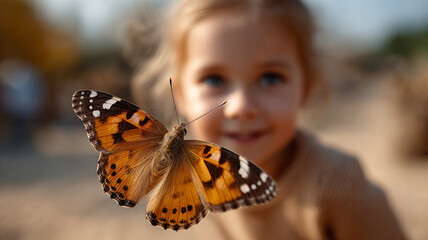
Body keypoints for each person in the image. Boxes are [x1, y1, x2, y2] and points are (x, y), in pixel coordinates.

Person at [130, 0, 407, 239]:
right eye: (214, 79)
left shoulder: (340, 186)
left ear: (306, 88)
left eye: (270, 77)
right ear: (181, 95)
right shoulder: (200, 173)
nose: (241, 107)